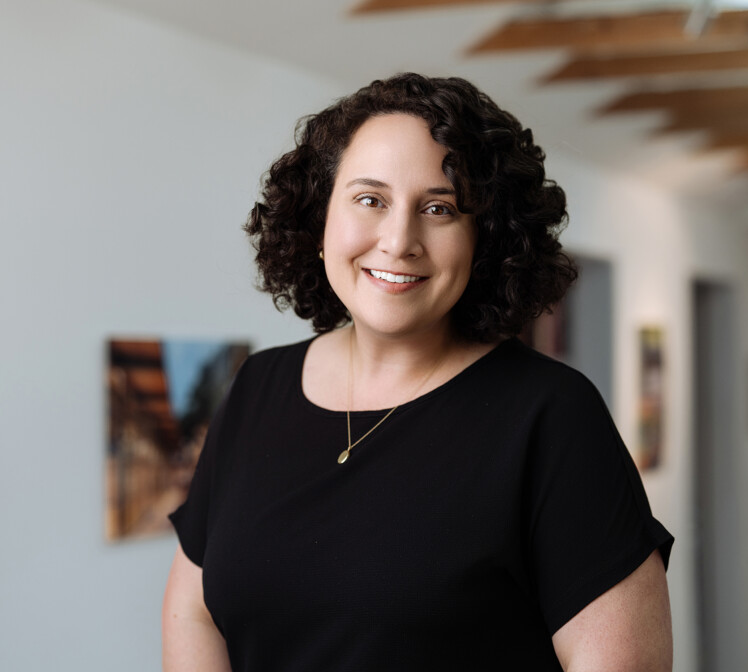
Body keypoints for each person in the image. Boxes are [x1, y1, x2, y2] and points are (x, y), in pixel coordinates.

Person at [162, 73, 673, 672]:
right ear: (320, 219)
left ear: (484, 240)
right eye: (370, 199)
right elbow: (193, 614)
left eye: (440, 208)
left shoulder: (550, 416)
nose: (399, 240)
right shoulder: (257, 387)